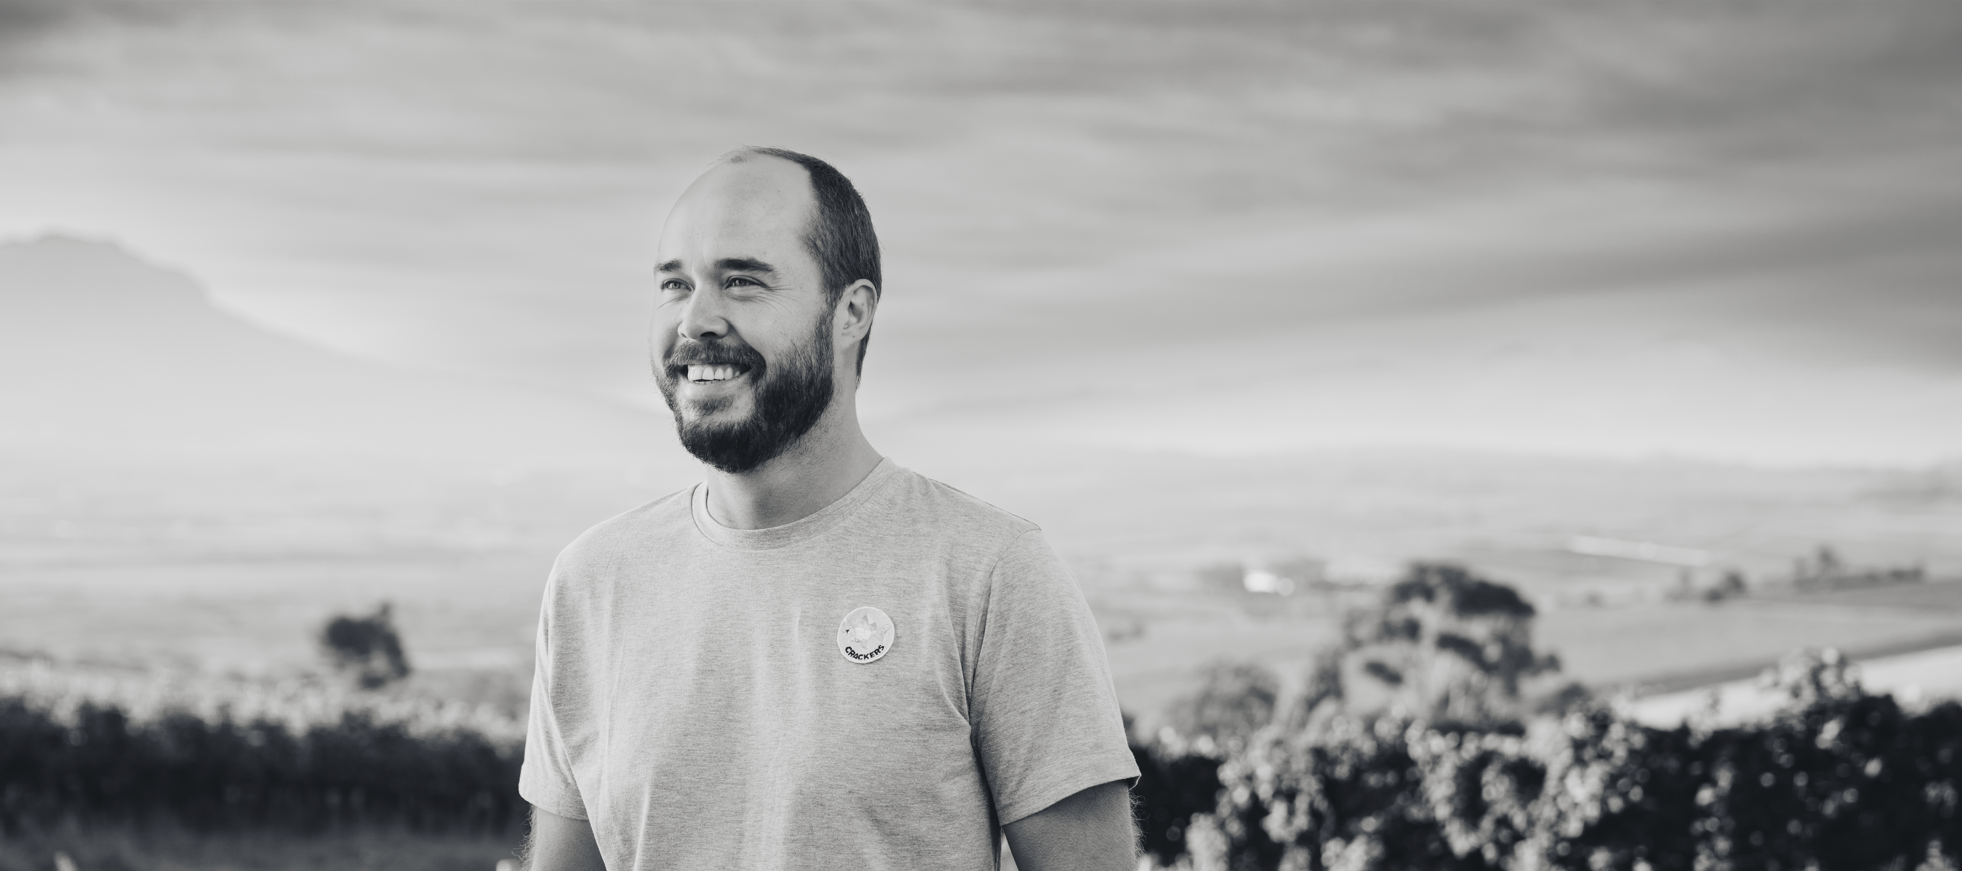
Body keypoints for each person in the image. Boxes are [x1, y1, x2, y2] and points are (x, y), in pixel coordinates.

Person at [519, 147, 1140, 871]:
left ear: (852, 312)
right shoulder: (593, 582)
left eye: (742, 281)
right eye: (674, 284)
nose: (697, 319)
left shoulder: (989, 572)